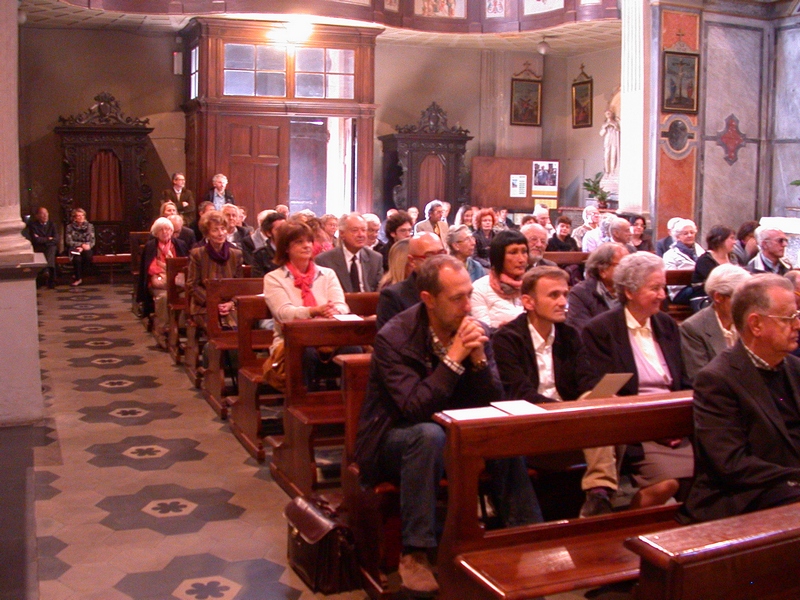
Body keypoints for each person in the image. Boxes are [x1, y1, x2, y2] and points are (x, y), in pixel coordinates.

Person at [355, 255, 541, 595]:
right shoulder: (394, 337)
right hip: (392, 438)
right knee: (427, 435)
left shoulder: (475, 330)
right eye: (457, 298)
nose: (468, 305)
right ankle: (414, 553)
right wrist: (454, 360)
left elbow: (492, 401)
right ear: (428, 299)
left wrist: (479, 362)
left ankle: (525, 536)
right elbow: (412, 408)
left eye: (469, 294)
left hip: (454, 432)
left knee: (500, 430)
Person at [578, 253, 693, 515]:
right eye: (654, 288)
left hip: (674, 423)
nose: (663, 295)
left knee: (710, 477)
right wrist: (651, 422)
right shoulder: (601, 329)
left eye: (663, 287)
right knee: (668, 483)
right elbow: (597, 387)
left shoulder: (666, 325)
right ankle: (619, 531)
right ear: (629, 291)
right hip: (635, 426)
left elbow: (682, 380)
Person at [683, 274, 800, 522]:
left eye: (797, 316)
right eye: (788, 318)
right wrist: (795, 477)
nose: (797, 325)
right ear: (755, 325)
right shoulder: (718, 379)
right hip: (743, 495)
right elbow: (730, 464)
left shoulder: (794, 368)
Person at [262, 221, 350, 386]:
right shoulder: (274, 278)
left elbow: (342, 305)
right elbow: (283, 313)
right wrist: (313, 311)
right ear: (286, 248)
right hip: (291, 340)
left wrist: (335, 311)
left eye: (309, 241)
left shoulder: (327, 274)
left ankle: (349, 405)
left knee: (353, 350)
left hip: (328, 337)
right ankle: (301, 404)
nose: (307, 246)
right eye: (299, 242)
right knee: (305, 352)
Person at [492, 266, 582, 404]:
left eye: (565, 294)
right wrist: (564, 409)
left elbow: (585, 379)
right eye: (554, 295)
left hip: (570, 414)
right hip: (529, 419)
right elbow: (520, 394)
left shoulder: (570, 335)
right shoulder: (506, 339)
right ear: (528, 302)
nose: (563, 302)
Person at [680, 264, 750, 383]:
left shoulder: (747, 322)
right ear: (718, 297)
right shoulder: (693, 328)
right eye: (740, 298)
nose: (746, 304)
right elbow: (699, 377)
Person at [186, 210, 244, 329]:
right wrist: (213, 303)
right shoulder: (198, 254)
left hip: (230, 305)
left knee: (237, 329)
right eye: (215, 230)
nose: (220, 233)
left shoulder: (236, 254)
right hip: (203, 305)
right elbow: (193, 285)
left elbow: (239, 285)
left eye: (223, 229)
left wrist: (231, 303)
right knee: (217, 328)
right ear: (207, 234)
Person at [137, 217, 189, 348]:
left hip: (177, 283)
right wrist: (166, 268)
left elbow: (185, 264)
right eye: (161, 230)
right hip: (158, 283)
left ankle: (179, 329)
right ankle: (162, 331)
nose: (165, 232)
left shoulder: (180, 244)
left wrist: (168, 266)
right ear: (156, 232)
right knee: (164, 297)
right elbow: (149, 267)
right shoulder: (150, 246)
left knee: (185, 297)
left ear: (172, 231)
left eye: (168, 229)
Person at [376, 232, 445, 330]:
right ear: (412, 261)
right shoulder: (393, 296)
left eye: (441, 253)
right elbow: (391, 340)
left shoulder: (453, 288)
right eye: (429, 256)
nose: (438, 260)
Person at [471, 230, 529, 330]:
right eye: (513, 252)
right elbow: (484, 333)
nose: (521, 259)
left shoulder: (531, 286)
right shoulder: (479, 289)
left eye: (524, 251)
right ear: (499, 257)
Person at [566, 243, 628, 334]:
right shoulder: (580, 293)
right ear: (603, 270)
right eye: (622, 266)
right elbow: (583, 332)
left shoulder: (632, 292)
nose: (629, 270)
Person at [315, 213, 384, 293]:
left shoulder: (375, 259)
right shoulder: (325, 260)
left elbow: (379, 292)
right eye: (355, 230)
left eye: (364, 230)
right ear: (342, 233)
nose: (360, 235)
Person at [663, 218, 705, 304]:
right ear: (677, 237)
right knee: (704, 290)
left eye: (692, 232)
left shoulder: (701, 251)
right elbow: (672, 284)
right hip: (680, 292)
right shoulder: (670, 255)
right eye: (685, 233)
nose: (689, 235)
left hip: (699, 287)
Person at [26, 207, 58, 288]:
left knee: (51, 249)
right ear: (37, 216)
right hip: (39, 248)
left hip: (50, 248)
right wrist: (48, 239)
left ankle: (46, 270)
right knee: (49, 251)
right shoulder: (33, 225)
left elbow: (56, 239)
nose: (45, 215)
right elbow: (36, 240)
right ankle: (49, 275)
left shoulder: (52, 224)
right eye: (42, 213)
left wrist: (43, 239)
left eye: (46, 213)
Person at [64, 207, 94, 287]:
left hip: (86, 248)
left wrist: (85, 247)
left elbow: (92, 240)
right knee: (77, 259)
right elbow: (69, 241)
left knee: (88, 256)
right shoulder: (69, 227)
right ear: (74, 218)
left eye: (82, 215)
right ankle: (78, 279)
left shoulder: (90, 226)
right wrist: (80, 245)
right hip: (74, 248)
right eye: (78, 216)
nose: (81, 217)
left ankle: (80, 275)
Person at [251, 212, 286, 278]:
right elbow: (258, 282)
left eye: (286, 228)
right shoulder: (260, 255)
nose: (284, 232)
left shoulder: (293, 251)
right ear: (269, 233)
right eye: (279, 229)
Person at [600, 110, 620, 176]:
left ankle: (612, 171)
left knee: (613, 156)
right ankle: (607, 171)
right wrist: (605, 128)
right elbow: (601, 134)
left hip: (614, 140)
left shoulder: (615, 122)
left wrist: (614, 126)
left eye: (609, 113)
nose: (608, 114)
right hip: (607, 140)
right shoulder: (604, 124)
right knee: (606, 156)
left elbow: (618, 130)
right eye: (606, 113)